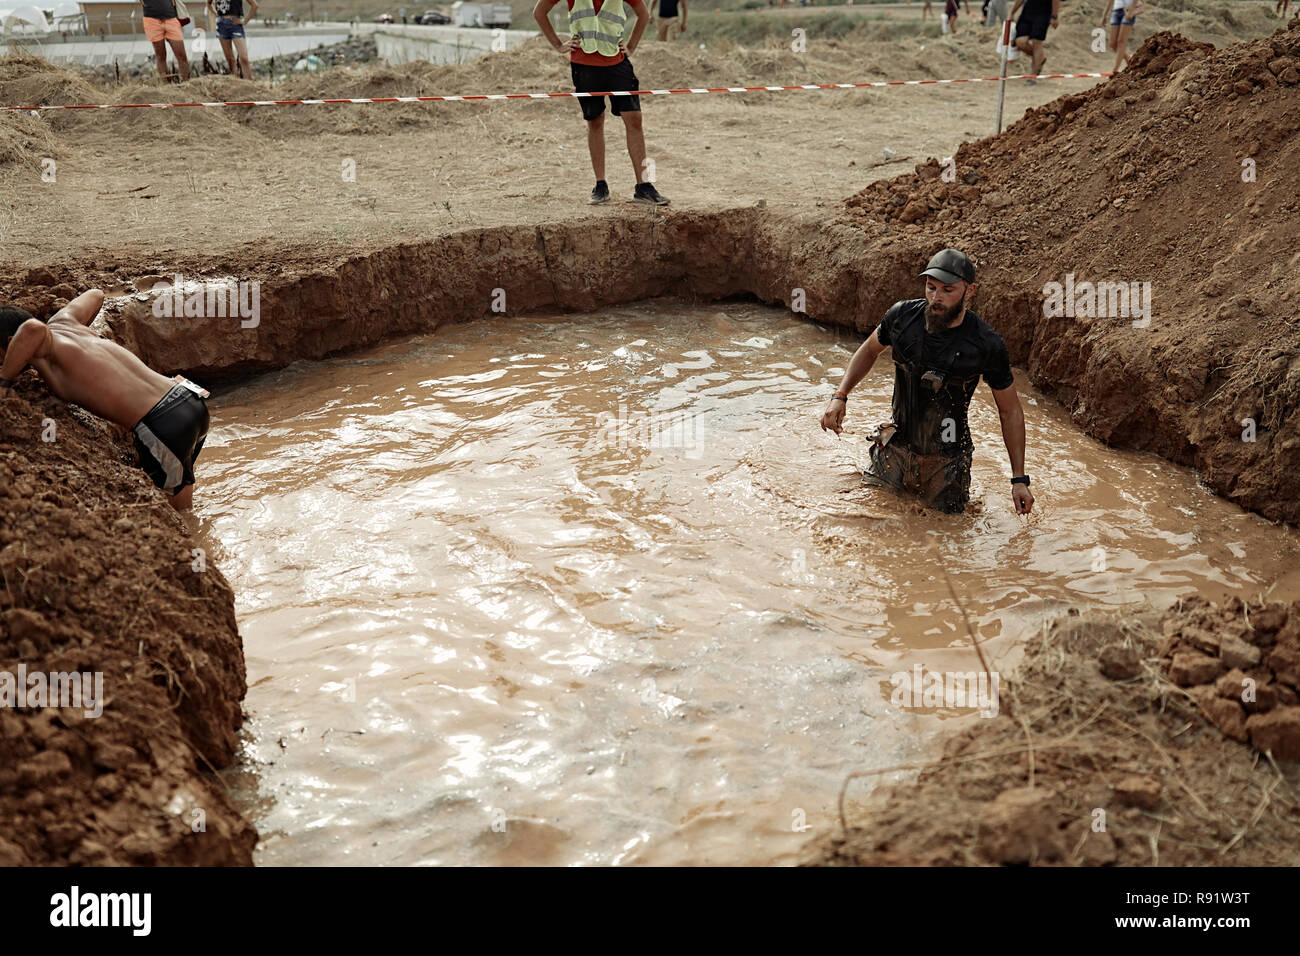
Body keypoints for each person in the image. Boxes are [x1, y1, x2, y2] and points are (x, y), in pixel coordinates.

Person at [818, 249, 1034, 515]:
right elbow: (870, 350)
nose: (936, 298)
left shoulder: (985, 343)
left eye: (947, 290)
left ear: (969, 291)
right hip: (894, 448)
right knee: (865, 523)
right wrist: (840, 395)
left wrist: (1019, 479)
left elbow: (1009, 410)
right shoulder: (901, 317)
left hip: (947, 461)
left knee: (945, 540)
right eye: (931, 288)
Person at [0, 291, 211, 511]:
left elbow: (33, 329)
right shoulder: (65, 321)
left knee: (177, 511)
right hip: (189, 399)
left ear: (11, 342)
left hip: (163, 423)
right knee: (181, 487)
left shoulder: (44, 343)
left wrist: (4, 381)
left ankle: (190, 540)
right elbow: (96, 294)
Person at [532, 0, 671, 206]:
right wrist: (559, 45)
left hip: (617, 63)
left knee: (634, 119)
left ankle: (644, 187)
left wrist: (631, 46)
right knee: (595, 122)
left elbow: (643, 14)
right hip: (584, 65)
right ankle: (601, 185)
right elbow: (539, 12)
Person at [141, 0, 191, 81]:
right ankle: (166, 87)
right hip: (151, 20)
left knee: (182, 56)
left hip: (171, 18)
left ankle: (187, 84)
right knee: (161, 56)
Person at [208, 0, 259, 78]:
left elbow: (255, 5)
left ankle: (249, 84)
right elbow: (208, 3)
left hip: (235, 25)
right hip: (221, 25)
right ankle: (236, 83)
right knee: (230, 60)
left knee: (244, 58)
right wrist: (215, 13)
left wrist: (245, 21)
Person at [1008, 0, 1058, 77]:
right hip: (1028, 12)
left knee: (1036, 42)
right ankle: (1040, 58)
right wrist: (1012, 12)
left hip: (1044, 13)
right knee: (1020, 42)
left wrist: (1054, 16)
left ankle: (1034, 74)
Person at [1104, 0, 1137, 73]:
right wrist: (1104, 15)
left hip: (1128, 10)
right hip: (1116, 11)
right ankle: (1129, 60)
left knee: (1121, 41)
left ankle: (1115, 70)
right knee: (1112, 43)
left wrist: (1131, 11)